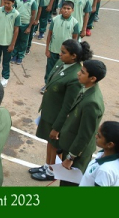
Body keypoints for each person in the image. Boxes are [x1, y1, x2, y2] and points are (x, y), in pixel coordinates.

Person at [30, 39, 93, 181]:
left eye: (63, 52)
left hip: (57, 117)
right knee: (49, 141)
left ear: (74, 56)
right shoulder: (62, 63)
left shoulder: (75, 76)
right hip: (49, 112)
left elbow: (67, 106)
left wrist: (57, 128)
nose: (60, 54)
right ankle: (47, 165)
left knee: (54, 145)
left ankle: (52, 172)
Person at [58, 59, 106, 186]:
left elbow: (85, 134)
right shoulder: (86, 88)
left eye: (83, 72)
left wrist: (70, 157)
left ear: (93, 78)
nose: (78, 74)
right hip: (71, 144)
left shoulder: (92, 103)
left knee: (69, 186)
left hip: (77, 153)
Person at [80, 121, 119, 187]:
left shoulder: (105, 170)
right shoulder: (104, 154)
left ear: (110, 144)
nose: (96, 136)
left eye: (99, 136)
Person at [10, 0, 38, 65]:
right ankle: (14, 55)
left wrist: (29, 27)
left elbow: (33, 14)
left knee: (23, 41)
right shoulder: (17, 0)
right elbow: (13, 11)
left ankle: (20, 56)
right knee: (16, 39)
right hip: (17, 24)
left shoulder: (33, 2)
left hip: (26, 24)